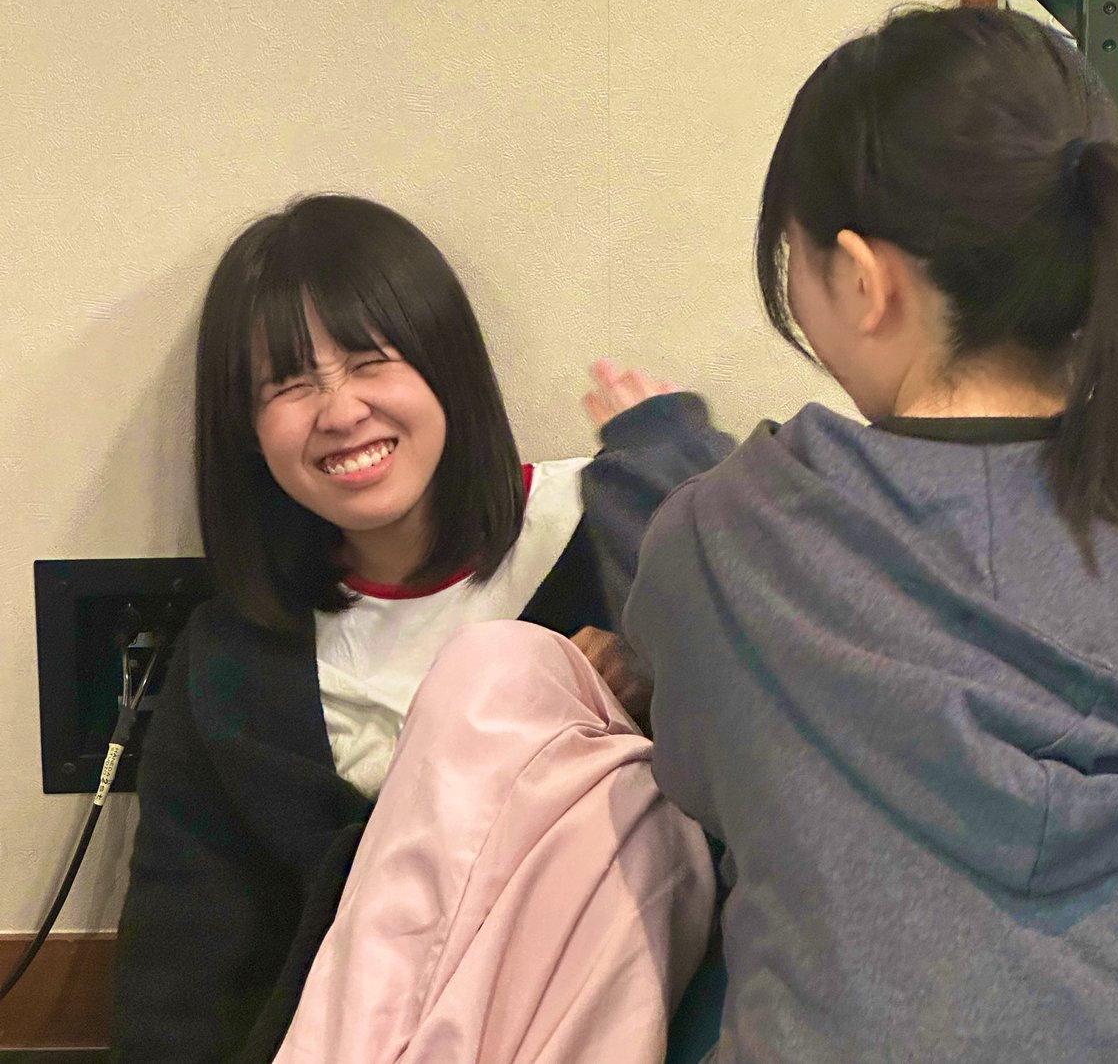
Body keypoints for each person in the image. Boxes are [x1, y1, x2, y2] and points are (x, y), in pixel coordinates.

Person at [585, 6, 1118, 1062]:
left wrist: (652, 450)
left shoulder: (730, 535)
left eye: (795, 258)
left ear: (867, 283)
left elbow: (698, 765)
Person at [112, 194, 731, 1063]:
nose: (339, 411)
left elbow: (778, 748)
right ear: (247, 431)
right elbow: (181, 975)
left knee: (509, 677)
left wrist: (667, 499)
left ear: (446, 364)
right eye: (289, 384)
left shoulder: (612, 535)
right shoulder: (234, 665)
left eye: (371, 361)